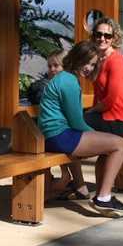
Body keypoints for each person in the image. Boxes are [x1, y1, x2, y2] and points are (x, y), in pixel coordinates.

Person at [37, 40, 123, 214]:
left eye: (93, 64)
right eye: (86, 62)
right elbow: (76, 122)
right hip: (60, 136)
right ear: (75, 58)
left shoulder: (66, 78)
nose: (88, 67)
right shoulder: (68, 81)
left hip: (54, 135)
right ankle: (103, 198)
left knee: (111, 144)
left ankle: (103, 195)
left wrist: (99, 140)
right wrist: (97, 136)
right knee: (119, 144)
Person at [27, 50, 89, 200]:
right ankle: (63, 183)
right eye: (50, 66)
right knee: (72, 143)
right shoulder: (49, 87)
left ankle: (78, 186)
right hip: (44, 136)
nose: (52, 69)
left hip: (53, 134)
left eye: (56, 65)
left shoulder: (64, 83)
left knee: (72, 144)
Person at [86, 17, 123, 138]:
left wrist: (91, 111)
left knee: (73, 124)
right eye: (98, 34)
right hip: (102, 116)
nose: (102, 39)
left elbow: (110, 100)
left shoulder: (116, 61)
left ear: (113, 38)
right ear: (93, 36)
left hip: (114, 121)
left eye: (107, 36)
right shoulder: (98, 59)